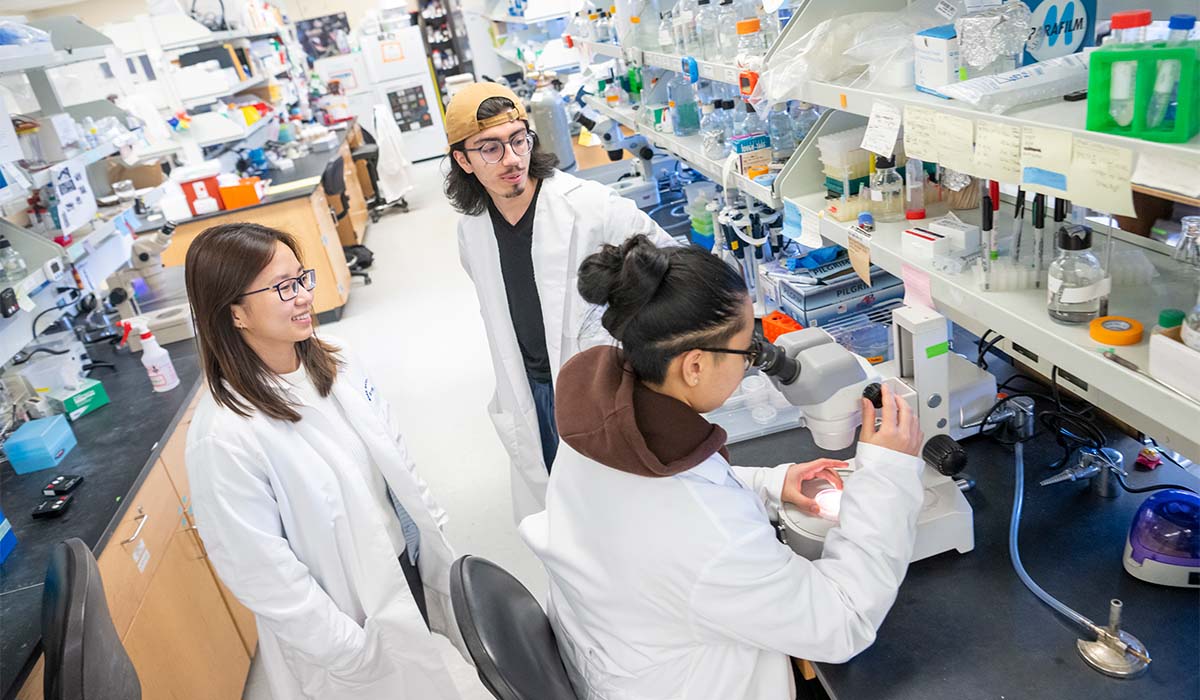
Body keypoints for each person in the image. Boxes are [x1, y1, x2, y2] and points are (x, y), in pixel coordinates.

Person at [519, 235, 926, 700]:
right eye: (746, 349)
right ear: (693, 366)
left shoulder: (596, 420)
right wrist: (888, 474)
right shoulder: (708, 540)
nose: (755, 360)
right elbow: (843, 622)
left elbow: (668, 495)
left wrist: (769, 483)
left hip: (617, 651)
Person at [182, 223, 466, 700]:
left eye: (302, 278)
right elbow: (264, 577)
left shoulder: (339, 362)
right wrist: (352, 653)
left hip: (404, 568)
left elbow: (398, 465)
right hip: (346, 624)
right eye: (283, 287)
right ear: (234, 313)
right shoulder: (223, 437)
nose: (303, 297)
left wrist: (434, 543)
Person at [445, 82, 676, 522]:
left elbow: (676, 267)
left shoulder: (589, 206)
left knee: (628, 515)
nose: (512, 159)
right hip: (532, 392)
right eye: (490, 149)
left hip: (600, 385)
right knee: (566, 517)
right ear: (463, 160)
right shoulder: (471, 229)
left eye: (518, 140)